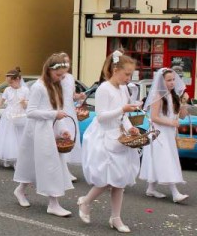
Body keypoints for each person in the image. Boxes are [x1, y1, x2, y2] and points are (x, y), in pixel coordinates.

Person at [78, 50, 141, 233]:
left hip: (120, 137)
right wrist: (122, 109)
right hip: (105, 137)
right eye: (126, 74)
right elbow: (101, 117)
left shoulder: (123, 89)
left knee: (119, 180)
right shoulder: (104, 89)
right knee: (108, 179)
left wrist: (130, 127)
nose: (129, 78)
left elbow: (124, 116)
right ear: (115, 69)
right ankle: (85, 201)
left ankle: (116, 217)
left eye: (131, 74)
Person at [12, 53, 73, 217]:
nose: (60, 78)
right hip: (38, 131)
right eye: (58, 75)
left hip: (49, 129)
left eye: (63, 76)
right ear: (49, 70)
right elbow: (31, 112)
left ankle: (20, 189)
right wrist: (53, 115)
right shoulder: (38, 87)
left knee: (35, 163)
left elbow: (56, 110)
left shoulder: (55, 86)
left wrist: (63, 129)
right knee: (49, 165)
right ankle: (53, 203)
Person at [139, 68, 189, 203]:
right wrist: (171, 122)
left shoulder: (173, 96)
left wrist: (184, 102)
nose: (172, 82)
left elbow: (182, 116)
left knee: (160, 160)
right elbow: (154, 117)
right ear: (162, 81)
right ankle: (175, 193)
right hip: (159, 133)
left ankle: (151, 188)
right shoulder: (157, 96)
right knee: (167, 160)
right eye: (169, 80)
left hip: (168, 133)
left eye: (173, 79)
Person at [0, 68, 29, 168]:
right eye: (8, 83)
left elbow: (28, 105)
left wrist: (24, 103)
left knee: (19, 138)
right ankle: (7, 158)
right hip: (9, 116)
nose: (10, 85)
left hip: (21, 115)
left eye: (11, 82)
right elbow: (1, 101)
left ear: (18, 79)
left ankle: (17, 159)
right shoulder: (7, 90)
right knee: (8, 137)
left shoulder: (25, 90)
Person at [58, 52, 85, 180]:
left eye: (68, 62)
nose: (67, 64)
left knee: (71, 138)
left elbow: (72, 94)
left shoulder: (70, 77)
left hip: (70, 110)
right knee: (62, 137)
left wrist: (79, 96)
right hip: (61, 109)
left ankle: (64, 169)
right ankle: (62, 171)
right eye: (64, 62)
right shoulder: (58, 77)